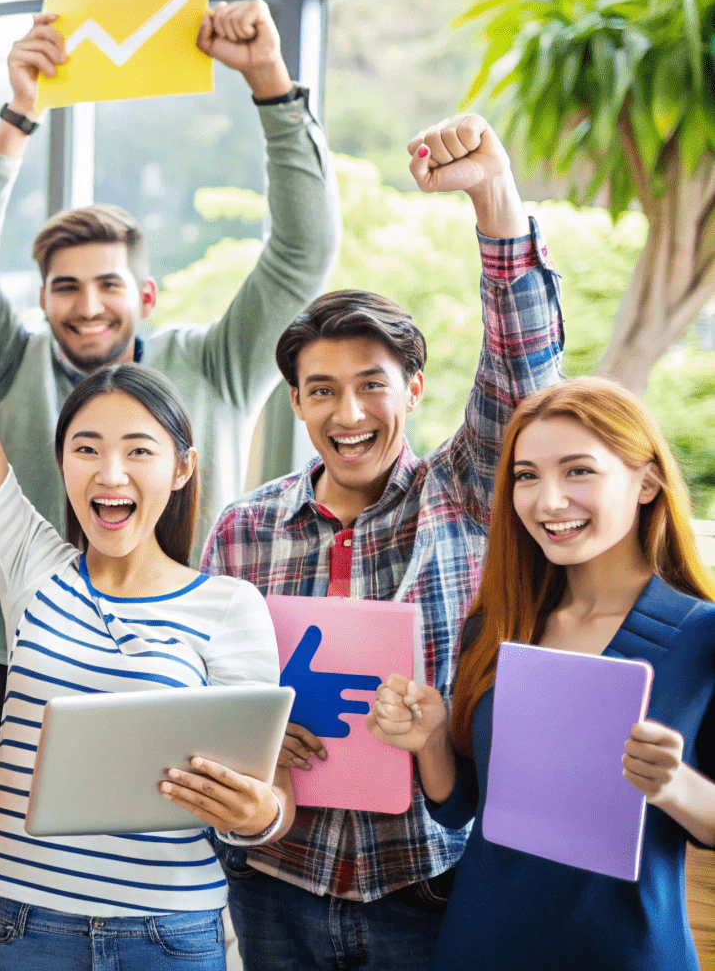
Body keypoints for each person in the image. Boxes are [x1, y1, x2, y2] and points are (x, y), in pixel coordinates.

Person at [0, 0, 341, 967]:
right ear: (43, 301)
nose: (88, 303)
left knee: (163, 840)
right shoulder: (8, 363)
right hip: (0, 661)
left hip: (168, 650)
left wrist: (271, 87)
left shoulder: (219, 361)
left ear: (145, 294)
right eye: (65, 286)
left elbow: (301, 252)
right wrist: (15, 114)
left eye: (109, 283)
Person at [201, 113, 564, 970]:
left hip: (424, 881)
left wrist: (492, 198)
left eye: (373, 385)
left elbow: (525, 371)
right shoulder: (244, 531)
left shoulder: (465, 492)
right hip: (274, 879)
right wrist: (246, 734)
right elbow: (204, 689)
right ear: (295, 404)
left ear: (414, 389)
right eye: (321, 390)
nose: (349, 413)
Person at [367, 379, 715, 970]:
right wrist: (429, 741)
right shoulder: (496, 626)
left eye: (578, 471)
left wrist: (673, 785)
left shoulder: (703, 639)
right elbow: (462, 809)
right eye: (526, 476)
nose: (548, 501)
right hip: (478, 946)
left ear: (648, 481)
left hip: (623, 952)